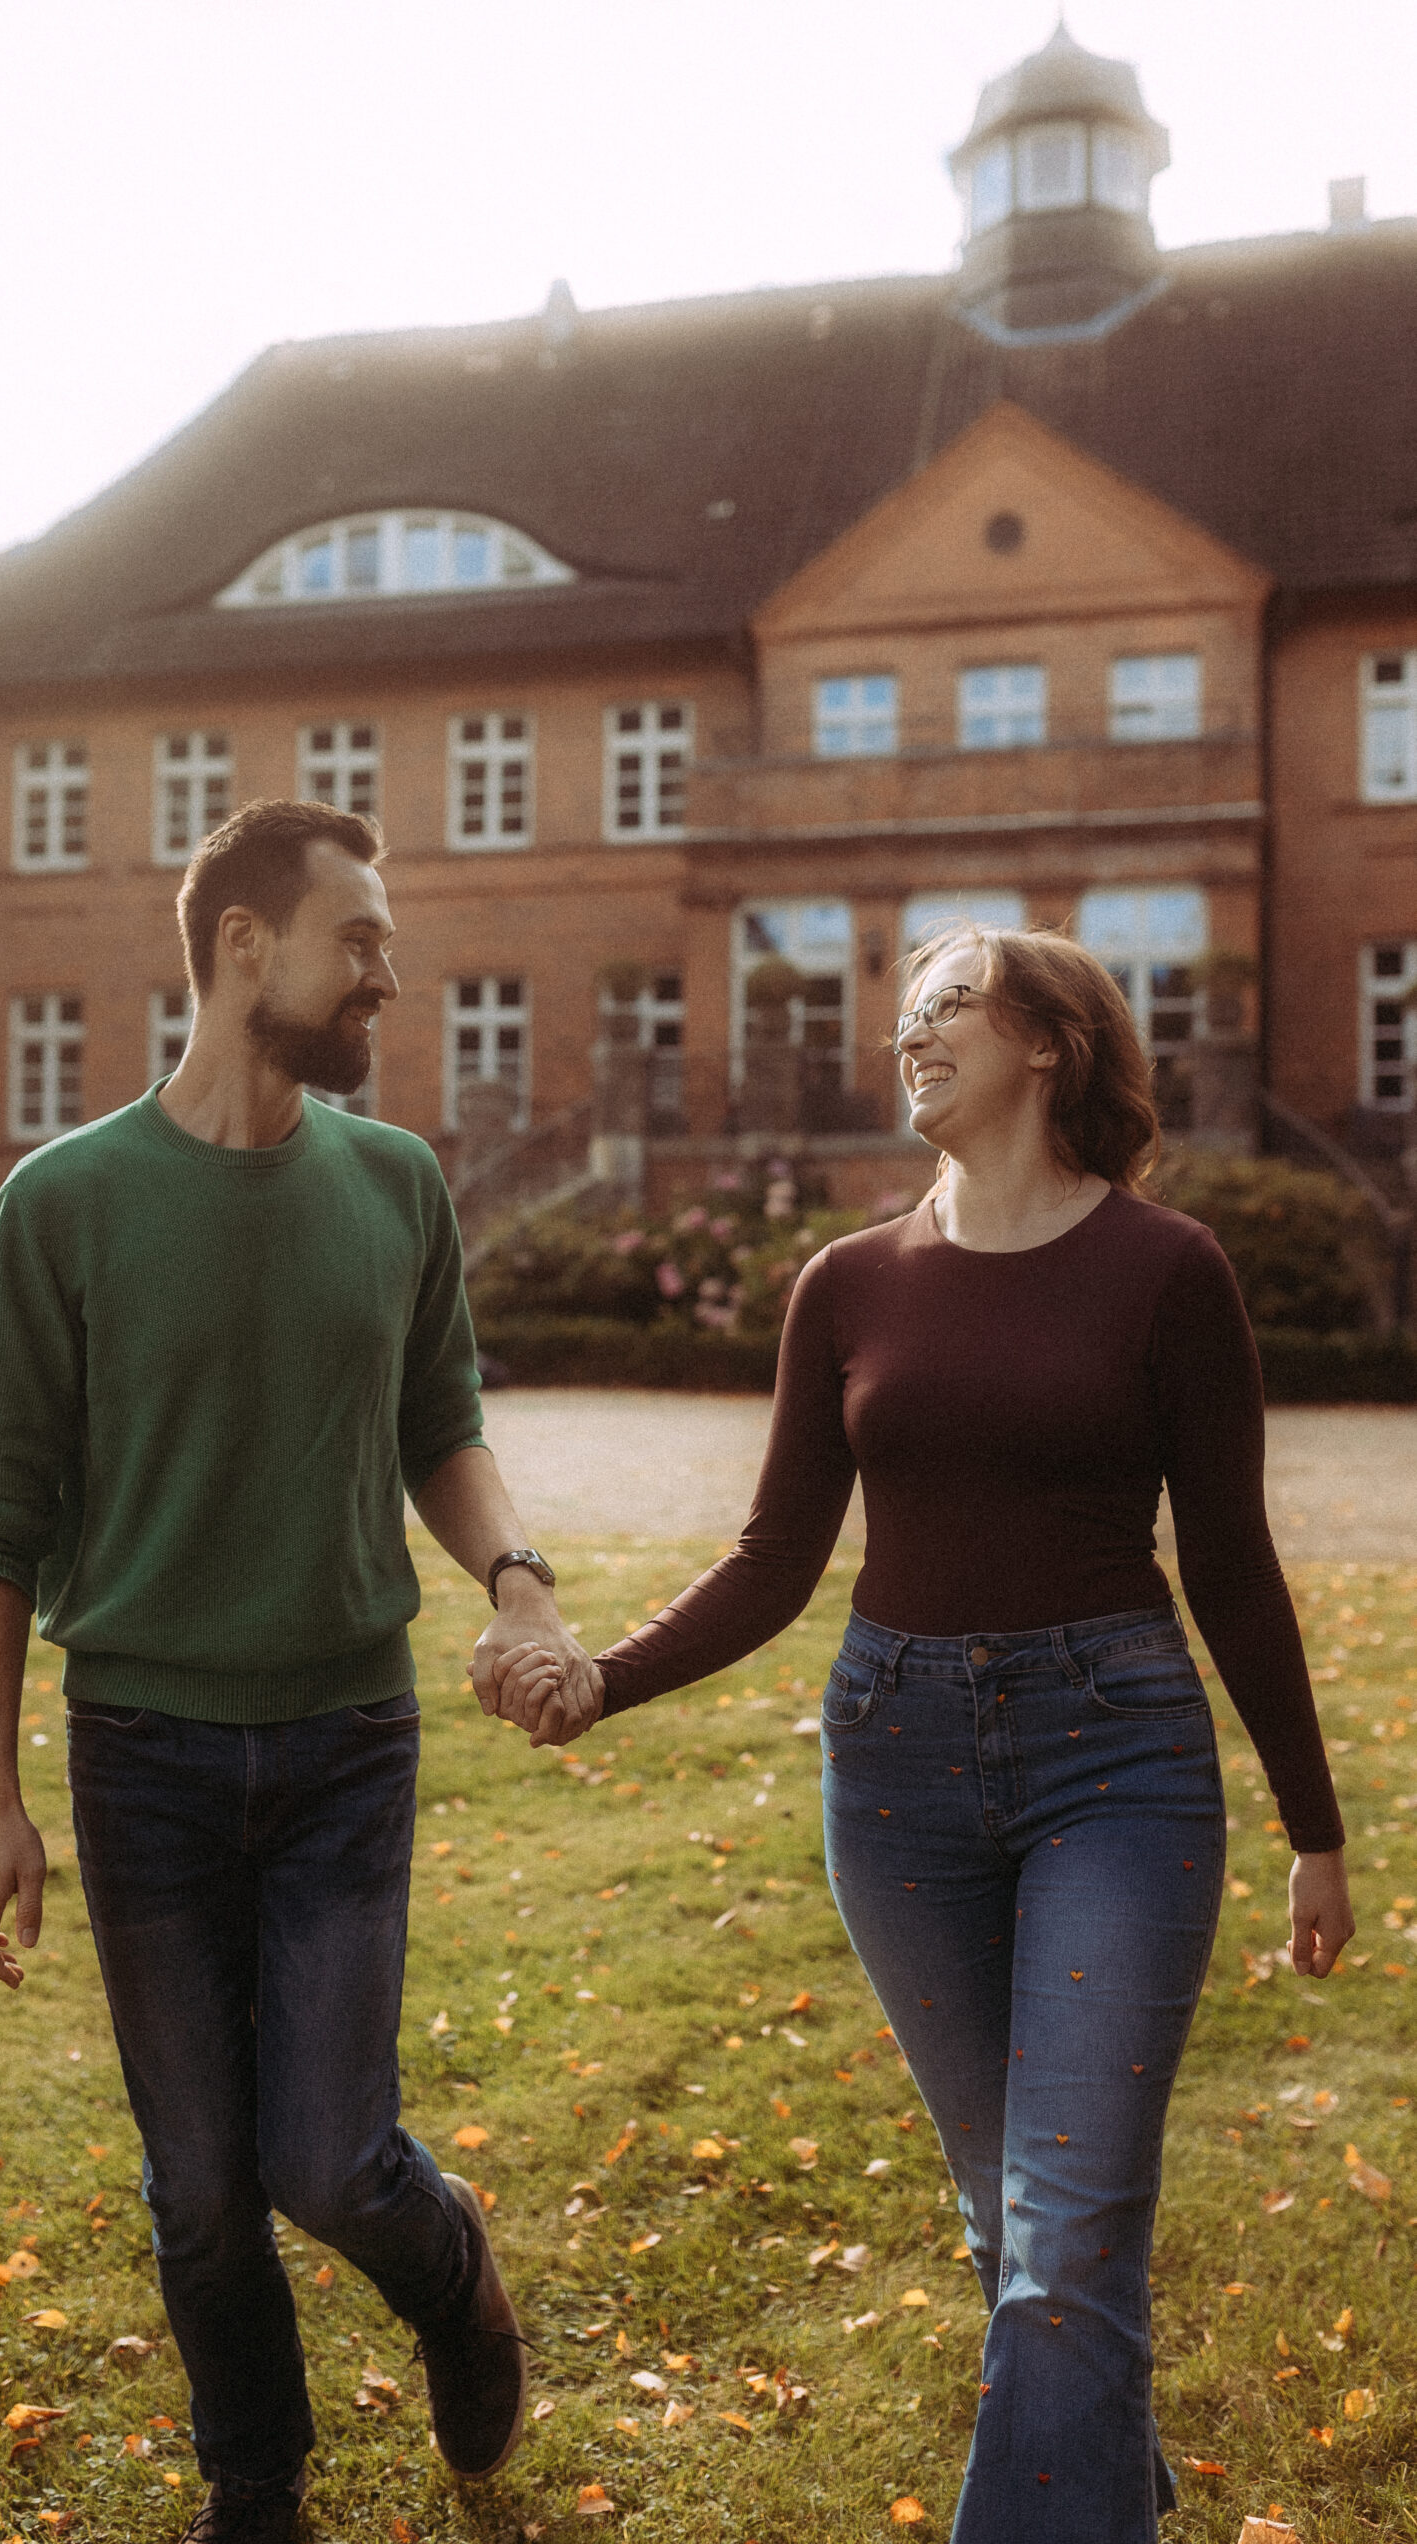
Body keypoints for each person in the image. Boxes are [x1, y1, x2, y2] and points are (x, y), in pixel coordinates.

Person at [492, 925, 1353, 2544]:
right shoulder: (847, 1284)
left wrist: (1316, 1825)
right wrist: (602, 1675)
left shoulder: (1169, 1269)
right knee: (1016, 2215)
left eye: (947, 1004)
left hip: (1118, 1761)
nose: (909, 1033)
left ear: (1051, 1044)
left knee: (1068, 2227)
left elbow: (1231, 1564)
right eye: (902, 1013)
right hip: (895, 1768)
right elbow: (773, 1561)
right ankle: (1112, 2492)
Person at [0, 798, 593, 2544]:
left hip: (342, 1743)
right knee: (203, 2191)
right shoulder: (64, 1204)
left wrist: (518, 1583)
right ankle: (256, 2488)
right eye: (359, 939)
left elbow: (441, 1425)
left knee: (324, 2161)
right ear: (245, 945)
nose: (389, 971)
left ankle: (452, 2276)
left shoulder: (394, 1182)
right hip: (140, 1750)